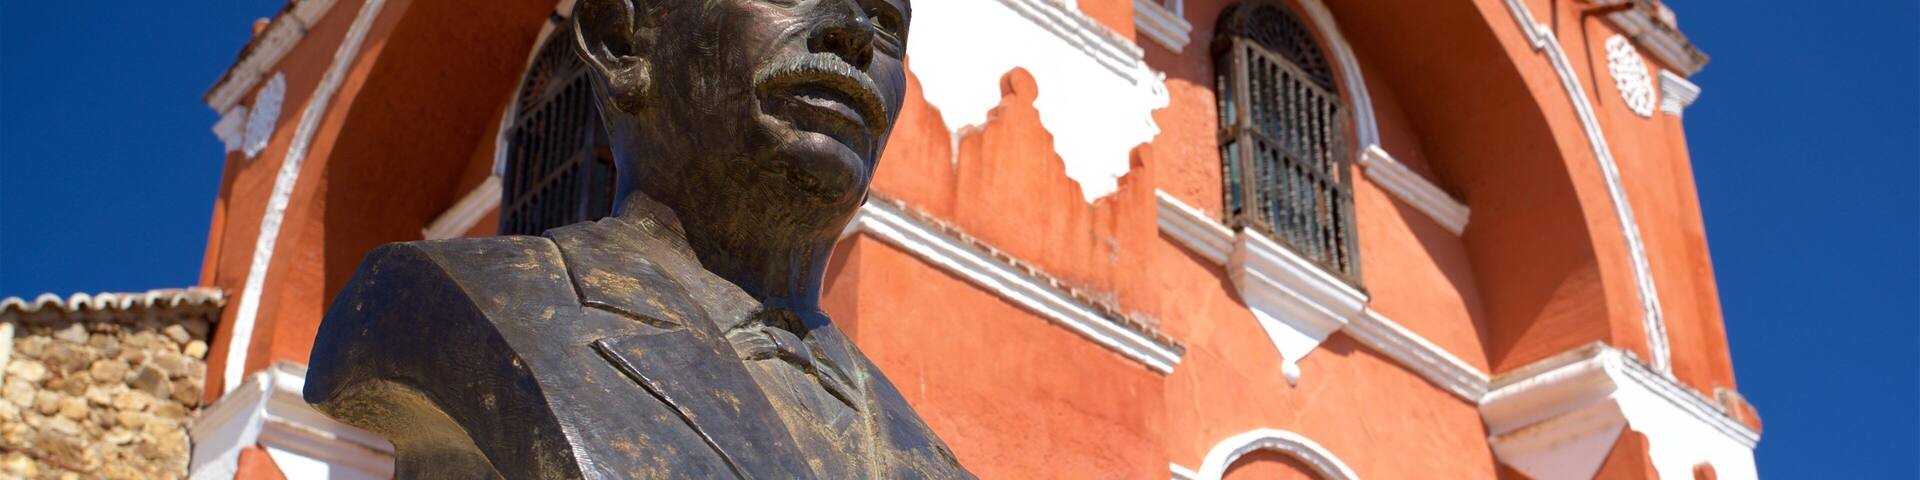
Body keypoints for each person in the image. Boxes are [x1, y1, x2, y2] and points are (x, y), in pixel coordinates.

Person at [303, 0, 973, 477]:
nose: (853, 32)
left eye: (887, 24)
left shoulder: (931, 455)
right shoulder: (447, 305)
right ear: (622, 40)